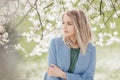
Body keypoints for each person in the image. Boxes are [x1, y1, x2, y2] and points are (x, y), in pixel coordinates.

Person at [44, 9, 96, 80]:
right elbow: (52, 74)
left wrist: (62, 74)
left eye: (69, 24)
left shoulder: (91, 49)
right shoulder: (55, 44)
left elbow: (88, 78)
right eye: (63, 23)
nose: (64, 27)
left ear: (79, 26)